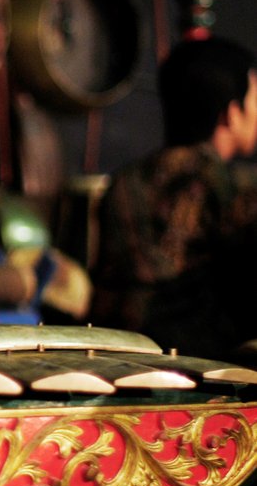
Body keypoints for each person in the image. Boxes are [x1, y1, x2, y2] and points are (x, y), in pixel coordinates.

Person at [90, 36, 257, 359]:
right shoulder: (231, 185)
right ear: (231, 113)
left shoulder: (123, 181)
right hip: (202, 363)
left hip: (115, 355)